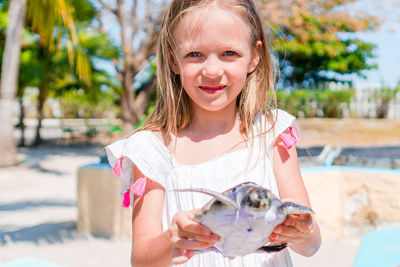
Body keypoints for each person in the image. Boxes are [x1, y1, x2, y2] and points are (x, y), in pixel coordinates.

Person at [106, 0, 321, 266]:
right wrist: (173, 239)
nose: (211, 71)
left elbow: (311, 244)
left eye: (229, 53)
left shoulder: (273, 134)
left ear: (254, 57)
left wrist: (303, 231)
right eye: (194, 54)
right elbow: (141, 259)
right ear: (173, 60)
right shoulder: (151, 150)